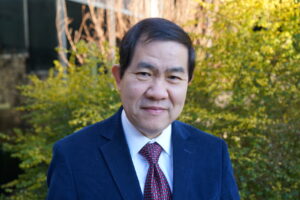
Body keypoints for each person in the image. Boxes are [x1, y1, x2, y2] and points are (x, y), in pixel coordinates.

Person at [47, 18, 240, 200]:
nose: (158, 93)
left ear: (188, 83)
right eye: (144, 74)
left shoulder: (213, 152)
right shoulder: (73, 156)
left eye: (173, 77)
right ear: (118, 77)